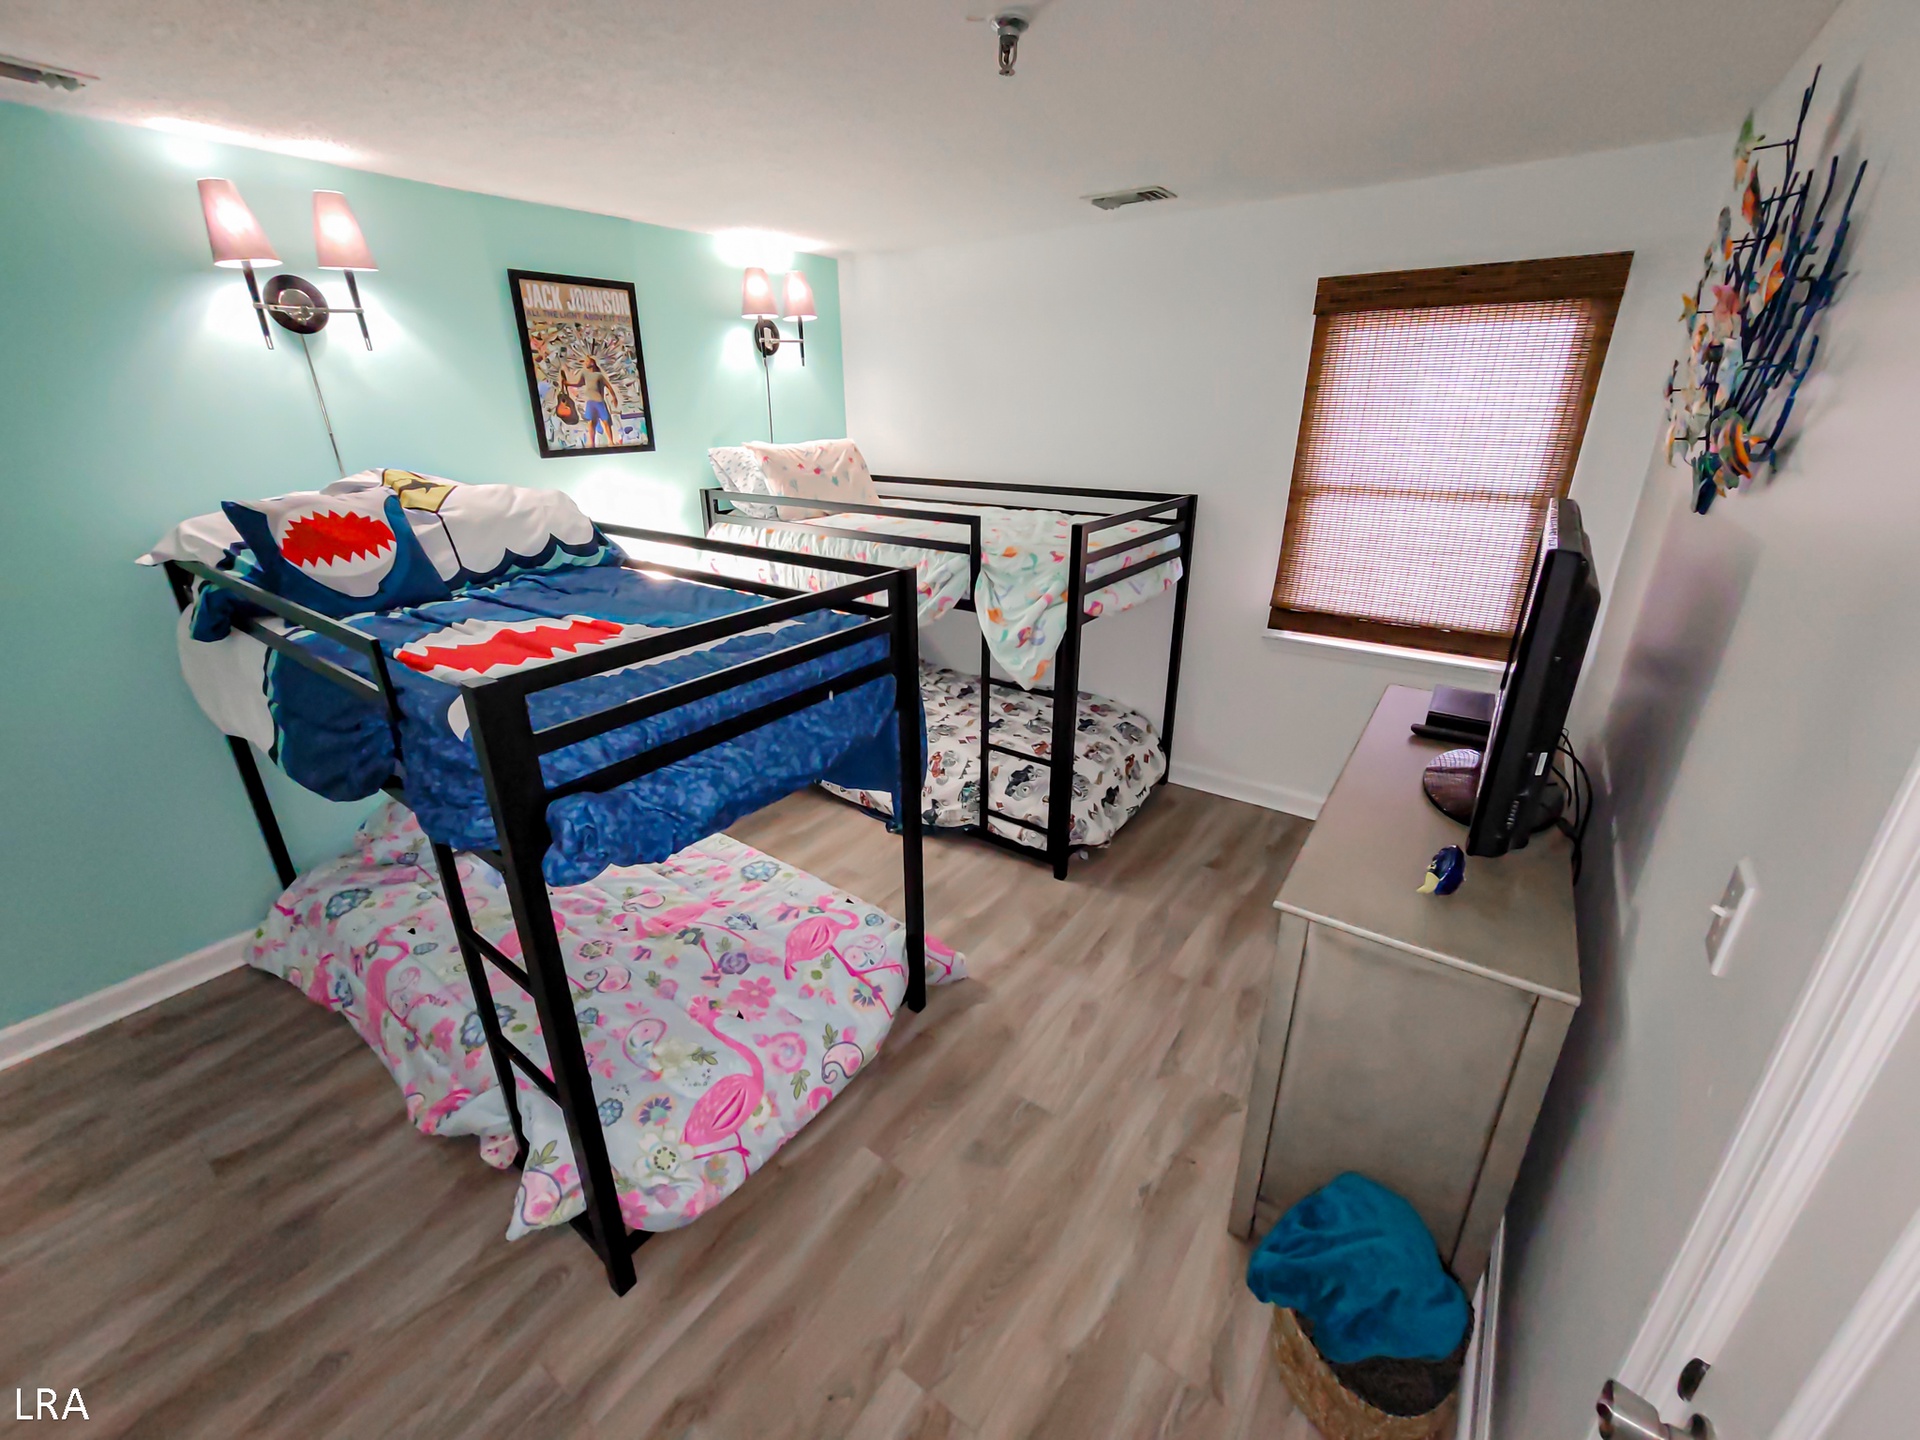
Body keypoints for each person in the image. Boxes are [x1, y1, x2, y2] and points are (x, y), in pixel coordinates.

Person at [569, 354, 622, 448]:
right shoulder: (584, 373)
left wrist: (614, 397)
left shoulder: (599, 375)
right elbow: (578, 383)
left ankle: (611, 441)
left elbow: (608, 386)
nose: (585, 363)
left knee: (605, 421)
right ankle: (592, 443)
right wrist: (567, 383)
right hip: (590, 402)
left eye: (587, 361)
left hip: (599, 401)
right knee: (591, 423)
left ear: (592, 363)